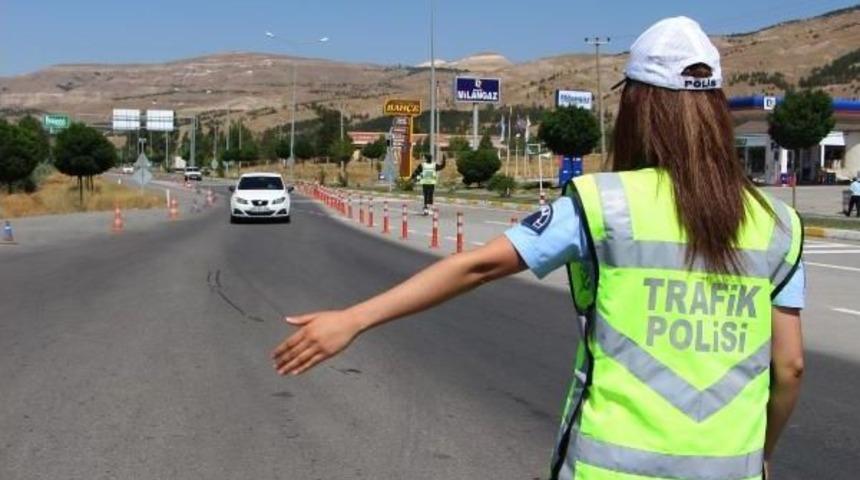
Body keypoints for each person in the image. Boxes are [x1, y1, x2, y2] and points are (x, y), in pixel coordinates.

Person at [272, 17, 804, 480]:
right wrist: (761, 454)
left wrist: (355, 319)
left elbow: (479, 266)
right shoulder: (778, 224)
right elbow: (790, 366)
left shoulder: (602, 204)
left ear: (638, 107)